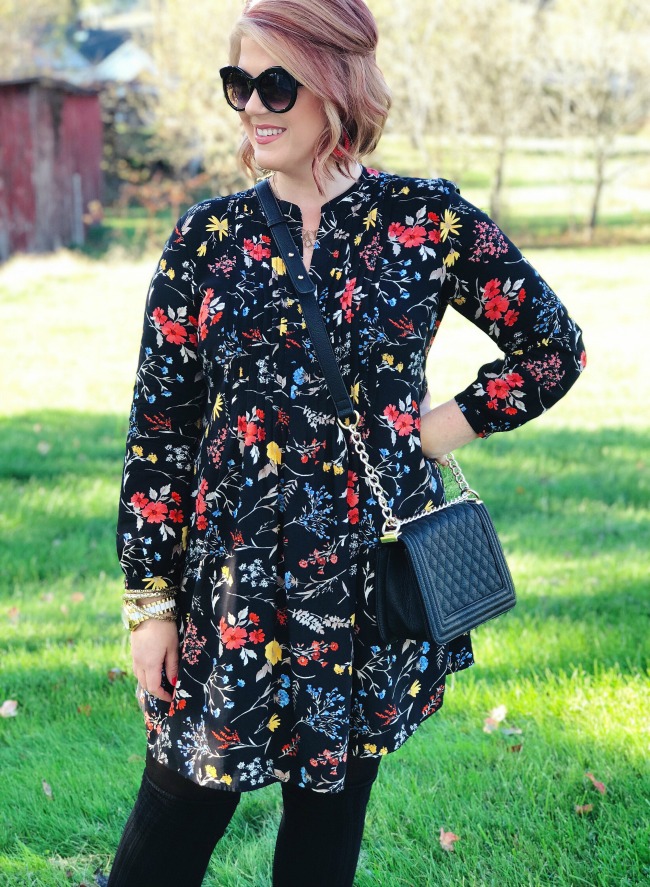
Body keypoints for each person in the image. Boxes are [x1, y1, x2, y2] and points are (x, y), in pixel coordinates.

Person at [109, 1, 586, 884]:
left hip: (365, 596)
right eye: (237, 82)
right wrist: (150, 602)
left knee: (323, 842)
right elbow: (161, 435)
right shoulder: (205, 241)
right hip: (230, 592)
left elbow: (553, 347)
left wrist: (435, 431)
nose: (252, 105)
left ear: (337, 85)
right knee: (170, 826)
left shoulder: (425, 222)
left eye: (275, 82)